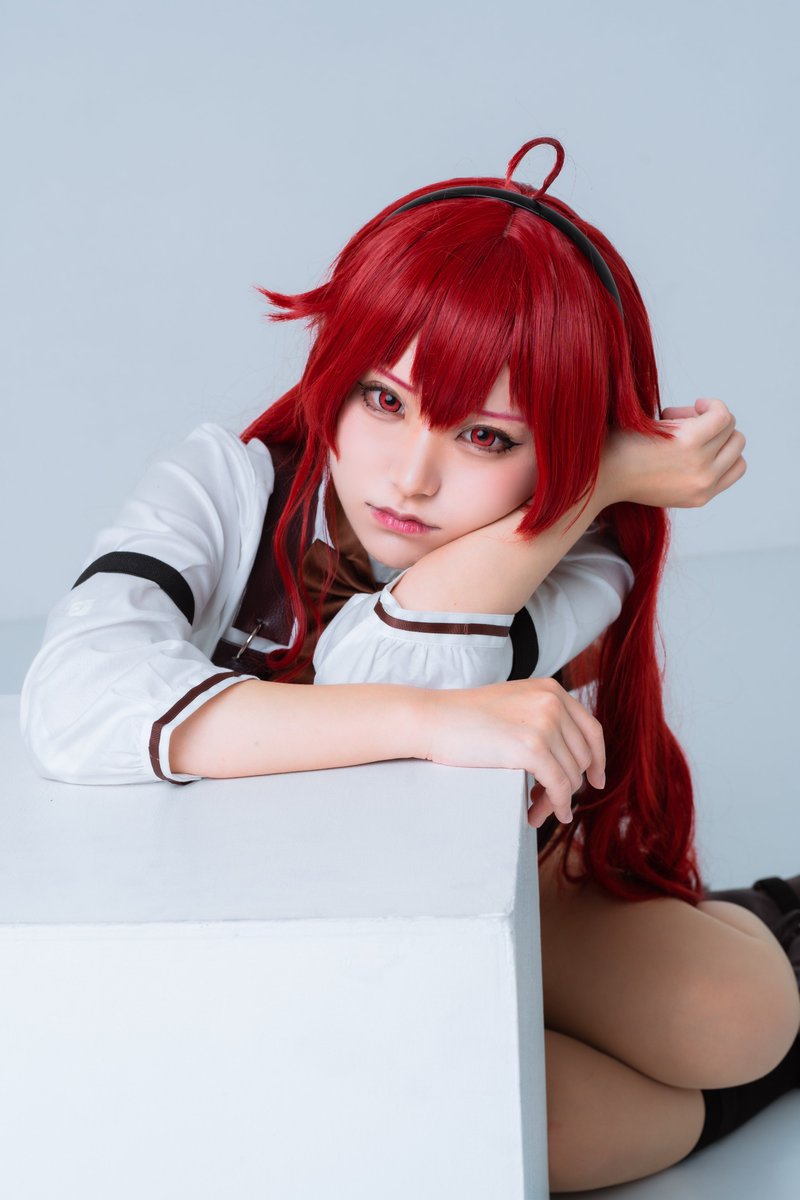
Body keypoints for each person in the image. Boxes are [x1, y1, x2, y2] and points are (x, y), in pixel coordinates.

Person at [20, 136, 800, 1191]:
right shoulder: (227, 485)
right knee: (440, 1128)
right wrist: (430, 725)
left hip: (493, 875)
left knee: (736, 1019)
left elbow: (381, 659)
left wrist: (596, 476)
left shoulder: (581, 554)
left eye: (486, 437)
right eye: (384, 400)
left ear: (561, 451)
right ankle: (690, 1090)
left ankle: (774, 938)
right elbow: (74, 702)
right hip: (256, 915)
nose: (410, 476)